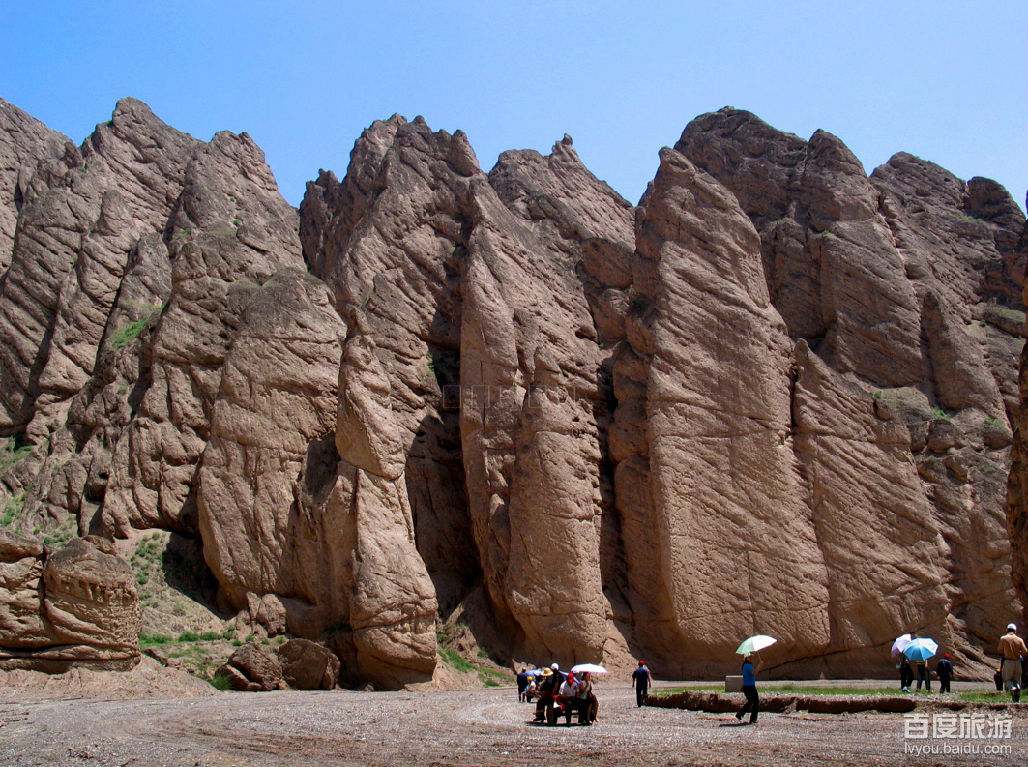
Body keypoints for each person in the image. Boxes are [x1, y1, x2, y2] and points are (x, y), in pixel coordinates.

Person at [998, 623, 1028, 702]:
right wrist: (1018, 652)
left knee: (1007, 680)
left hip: (1008, 662)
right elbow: (1025, 651)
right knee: (1016, 681)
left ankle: (1013, 689)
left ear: (1007, 630)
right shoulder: (1019, 640)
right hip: (1018, 662)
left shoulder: (1003, 638)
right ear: (1015, 631)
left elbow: (999, 650)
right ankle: (1016, 695)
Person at [735, 653, 763, 725]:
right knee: (754, 701)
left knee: (752, 701)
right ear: (746, 658)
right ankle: (747, 716)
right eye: (749, 657)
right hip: (750, 686)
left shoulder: (745, 665)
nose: (751, 658)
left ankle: (744, 715)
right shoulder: (748, 665)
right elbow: (754, 672)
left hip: (748, 686)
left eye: (751, 657)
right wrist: (760, 665)